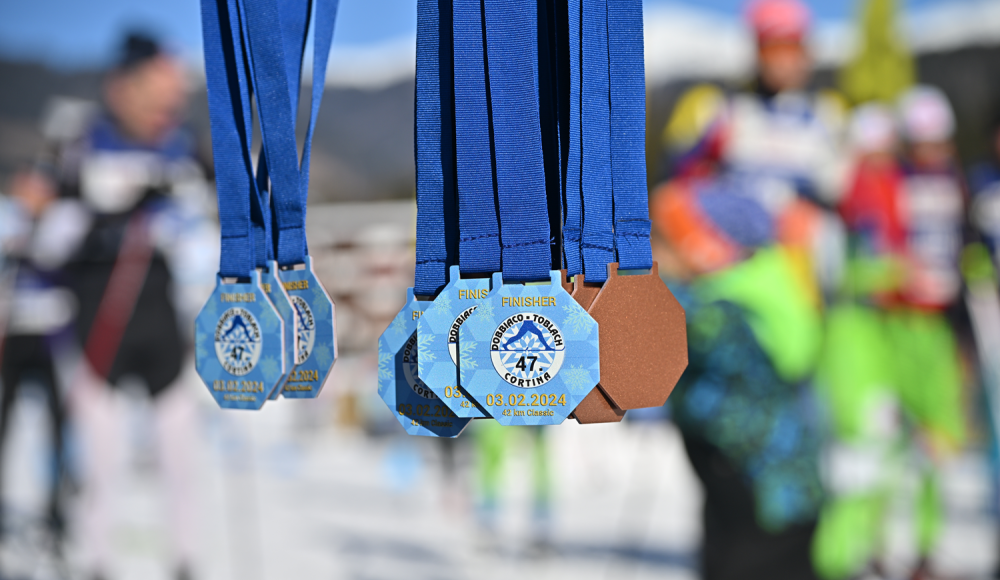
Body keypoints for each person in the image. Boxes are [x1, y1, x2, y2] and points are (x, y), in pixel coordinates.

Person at [25, 33, 216, 580]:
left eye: (175, 94)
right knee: (101, 465)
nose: (168, 105)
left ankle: (184, 561)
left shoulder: (186, 145)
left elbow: (211, 227)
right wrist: (100, 219)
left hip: (162, 326)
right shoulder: (81, 144)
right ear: (123, 87)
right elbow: (43, 241)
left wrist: (190, 227)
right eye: (157, 91)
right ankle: (94, 562)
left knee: (181, 460)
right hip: (97, 326)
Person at [651, 183, 826, 580]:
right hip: (755, 486)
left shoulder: (721, 309)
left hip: (767, 493)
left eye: (662, 244)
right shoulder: (735, 294)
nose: (653, 258)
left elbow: (677, 318)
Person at [0, 168, 74, 547]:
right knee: (6, 428)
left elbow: (57, 261)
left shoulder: (65, 223)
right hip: (14, 340)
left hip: (51, 342)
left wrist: (28, 243)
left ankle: (56, 509)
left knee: (58, 430)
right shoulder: (8, 220)